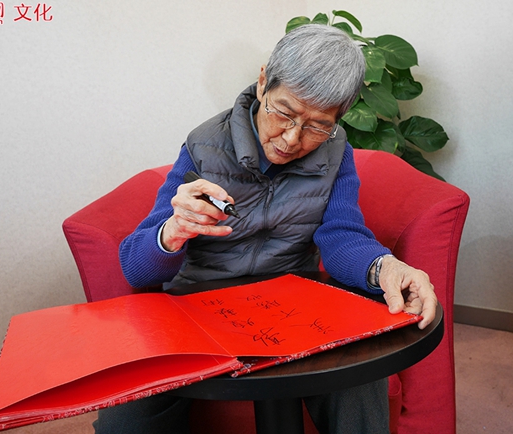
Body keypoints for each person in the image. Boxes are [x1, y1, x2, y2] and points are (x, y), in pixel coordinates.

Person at [93, 23, 437, 434]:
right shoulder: (203, 145)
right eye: (284, 113)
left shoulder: (335, 151)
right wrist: (173, 230)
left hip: (295, 304)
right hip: (200, 306)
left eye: (317, 125)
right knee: (126, 415)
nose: (291, 139)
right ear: (262, 83)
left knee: (360, 377)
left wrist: (385, 267)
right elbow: (136, 268)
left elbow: (341, 235)